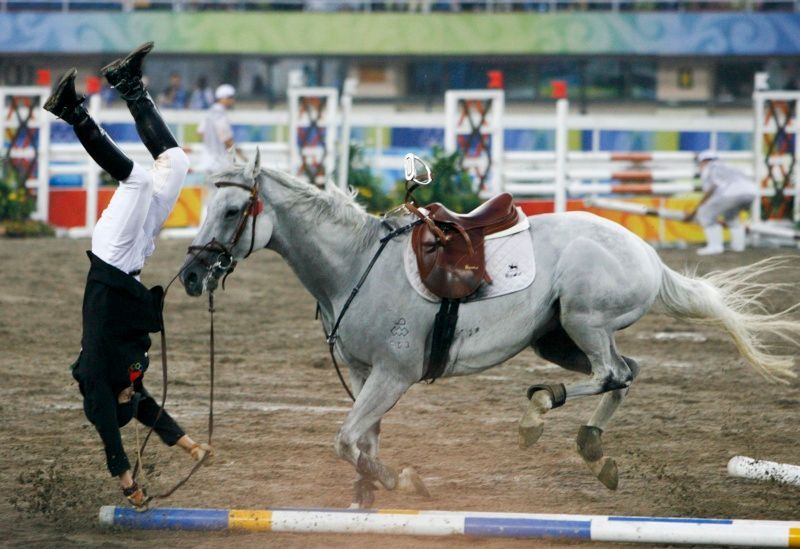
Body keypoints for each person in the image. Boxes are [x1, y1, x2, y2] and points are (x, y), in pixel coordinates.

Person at [44, 42, 212, 510]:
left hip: (110, 257)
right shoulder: (129, 390)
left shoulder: (99, 379)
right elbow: (155, 416)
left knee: (136, 179)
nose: (131, 392)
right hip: (135, 256)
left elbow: (114, 451)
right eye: (129, 396)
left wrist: (129, 487)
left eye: (126, 396)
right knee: (175, 164)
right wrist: (190, 445)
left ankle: (71, 111)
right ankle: (128, 84)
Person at [685, 150, 757, 255]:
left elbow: (711, 189)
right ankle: (738, 247)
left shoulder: (709, 168)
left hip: (731, 193)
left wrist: (697, 210)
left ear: (704, 161)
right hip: (752, 192)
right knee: (731, 216)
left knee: (705, 213)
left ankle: (715, 246)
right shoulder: (728, 167)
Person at [197, 83, 245, 175]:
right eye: (231, 97)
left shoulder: (209, 112)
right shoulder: (220, 114)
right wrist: (243, 157)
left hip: (206, 160)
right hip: (219, 163)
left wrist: (210, 144)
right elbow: (226, 140)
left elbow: (200, 132)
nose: (233, 100)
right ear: (224, 98)